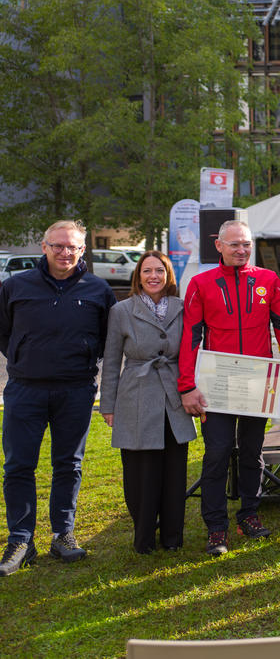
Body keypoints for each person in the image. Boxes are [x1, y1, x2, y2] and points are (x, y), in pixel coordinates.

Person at [178, 220, 280, 556]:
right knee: (217, 453)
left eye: (246, 244)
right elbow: (190, 336)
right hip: (216, 385)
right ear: (218, 245)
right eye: (234, 244)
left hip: (257, 382)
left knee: (252, 452)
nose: (241, 250)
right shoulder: (201, 283)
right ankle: (216, 527)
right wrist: (187, 386)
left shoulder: (267, 279)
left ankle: (249, 513)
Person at [0, 221, 117, 576]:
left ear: (83, 250)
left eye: (73, 247)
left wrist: (80, 361)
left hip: (76, 390)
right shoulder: (15, 286)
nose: (65, 252)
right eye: (58, 246)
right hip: (25, 390)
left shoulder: (97, 289)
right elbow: (3, 333)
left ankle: (62, 534)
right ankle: (21, 540)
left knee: (69, 465)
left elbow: (106, 338)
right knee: (19, 466)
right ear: (44, 246)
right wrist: (24, 358)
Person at [99, 252, 194, 553]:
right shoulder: (121, 310)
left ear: (168, 276)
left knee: (174, 468)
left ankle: (172, 536)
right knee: (142, 469)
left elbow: (192, 351)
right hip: (136, 394)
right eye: (147, 271)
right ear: (138, 275)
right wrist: (108, 405)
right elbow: (112, 361)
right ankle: (144, 536)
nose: (153, 276)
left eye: (160, 271)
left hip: (174, 393)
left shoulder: (182, 307)